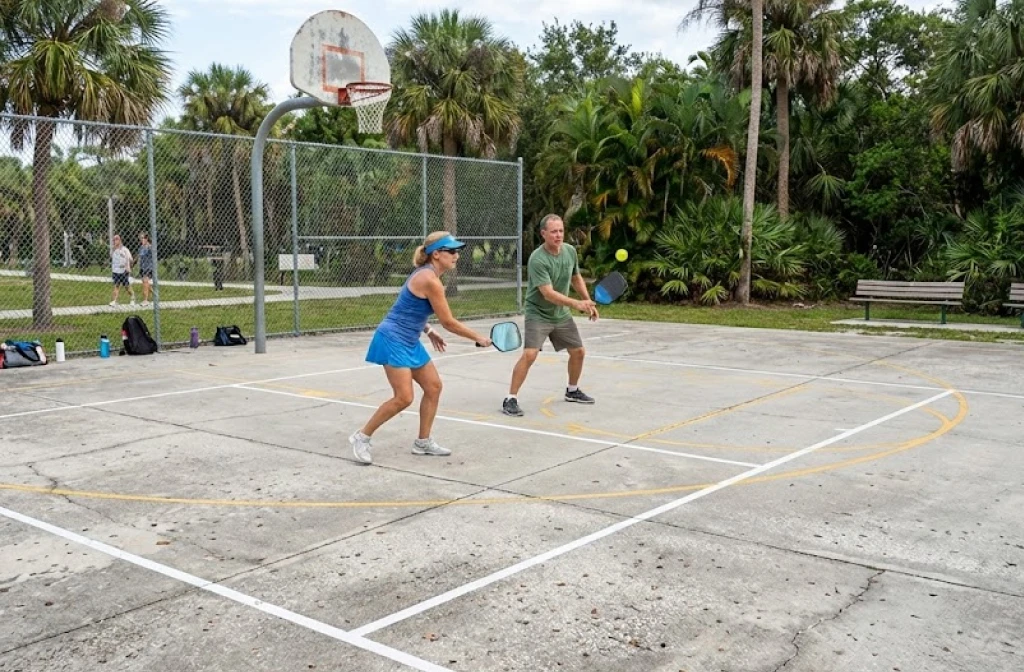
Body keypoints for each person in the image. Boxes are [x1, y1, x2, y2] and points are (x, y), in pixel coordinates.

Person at [348, 231, 492, 465]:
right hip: (393, 338)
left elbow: (408, 307)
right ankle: (361, 437)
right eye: (452, 251)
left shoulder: (429, 275)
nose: (457, 256)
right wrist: (478, 337)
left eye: (457, 251)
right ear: (437, 254)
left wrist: (427, 330)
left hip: (410, 339)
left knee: (433, 387)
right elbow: (449, 322)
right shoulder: (430, 280)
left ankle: (423, 442)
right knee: (403, 397)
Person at [502, 214, 598, 417]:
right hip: (538, 312)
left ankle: (572, 391)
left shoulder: (570, 251)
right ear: (543, 233)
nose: (558, 235)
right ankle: (510, 398)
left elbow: (576, 277)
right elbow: (548, 293)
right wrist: (576, 304)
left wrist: (587, 301)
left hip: (560, 314)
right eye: (554, 231)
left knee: (578, 351)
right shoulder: (538, 259)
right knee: (530, 354)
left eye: (561, 231)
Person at [109, 235, 135, 307]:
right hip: (115, 271)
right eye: (114, 240)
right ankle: (114, 301)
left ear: (120, 240)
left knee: (127, 287)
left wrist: (128, 267)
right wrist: (114, 249)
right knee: (116, 286)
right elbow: (111, 257)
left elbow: (131, 260)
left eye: (116, 239)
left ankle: (132, 298)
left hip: (124, 271)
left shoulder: (125, 250)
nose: (114, 241)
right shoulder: (113, 250)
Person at [136, 232, 154, 306]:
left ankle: (145, 300)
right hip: (142, 267)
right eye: (140, 238)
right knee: (145, 283)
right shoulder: (141, 247)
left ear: (146, 239)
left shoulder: (150, 247)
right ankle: (155, 296)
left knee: (145, 283)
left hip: (149, 267)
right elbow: (139, 257)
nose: (141, 240)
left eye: (142, 238)